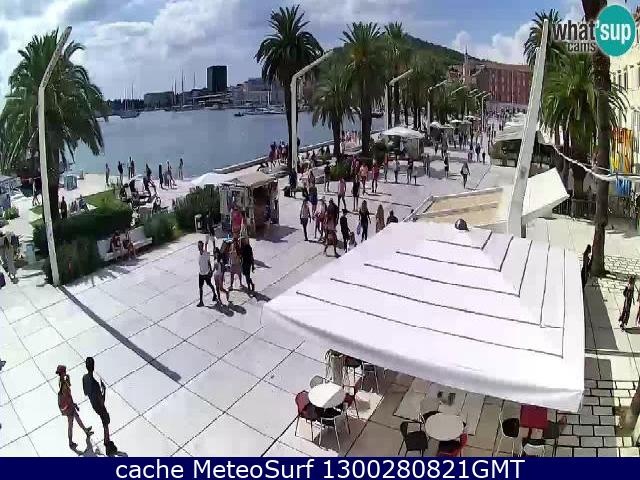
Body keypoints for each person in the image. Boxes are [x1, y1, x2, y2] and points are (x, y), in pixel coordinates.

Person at [82, 357, 117, 456]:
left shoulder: (84, 378)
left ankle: (107, 441)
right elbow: (102, 401)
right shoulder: (96, 384)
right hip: (99, 406)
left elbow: (85, 392)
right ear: (93, 367)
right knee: (105, 421)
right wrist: (104, 390)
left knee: (105, 420)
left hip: (93, 403)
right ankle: (107, 444)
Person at [56, 365, 93, 450]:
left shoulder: (61, 381)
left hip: (69, 405)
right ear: (63, 372)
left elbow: (68, 387)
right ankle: (70, 442)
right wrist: (74, 405)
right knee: (70, 424)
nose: (66, 372)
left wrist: (68, 379)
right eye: (65, 371)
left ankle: (86, 431)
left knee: (77, 417)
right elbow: (67, 397)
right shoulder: (63, 384)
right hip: (68, 407)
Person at [196, 240, 216, 306]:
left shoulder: (206, 254)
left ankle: (214, 293)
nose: (198, 247)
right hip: (201, 273)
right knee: (200, 287)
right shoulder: (199, 254)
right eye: (198, 246)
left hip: (206, 273)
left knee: (209, 284)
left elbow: (209, 263)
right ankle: (201, 301)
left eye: (199, 246)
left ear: (202, 246)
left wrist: (211, 271)